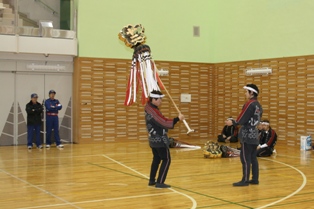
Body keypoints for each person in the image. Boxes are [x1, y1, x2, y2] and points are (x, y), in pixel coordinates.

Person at [145, 90, 184, 188]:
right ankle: (160, 182)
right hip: (159, 140)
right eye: (159, 99)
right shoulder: (153, 111)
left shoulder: (149, 108)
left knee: (156, 159)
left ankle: (152, 180)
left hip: (153, 139)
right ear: (154, 99)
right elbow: (163, 122)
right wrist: (177, 119)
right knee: (166, 159)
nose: (161, 101)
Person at [232, 84, 263, 186]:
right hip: (254, 134)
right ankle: (255, 179)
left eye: (246, 92)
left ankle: (245, 180)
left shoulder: (249, 104)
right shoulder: (258, 105)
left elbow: (242, 118)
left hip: (247, 135)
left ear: (252, 93)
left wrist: (234, 122)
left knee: (245, 158)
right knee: (253, 158)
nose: (245, 94)